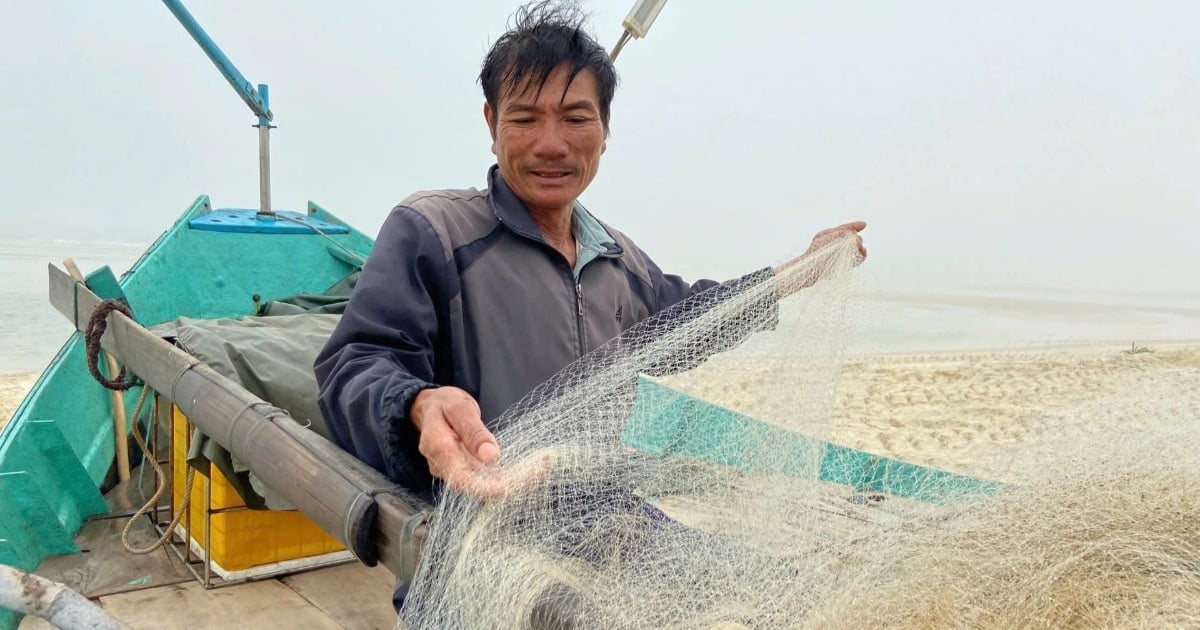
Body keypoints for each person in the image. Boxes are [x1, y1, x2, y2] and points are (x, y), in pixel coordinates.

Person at [313, 0, 866, 506]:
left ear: (604, 130)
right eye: (525, 118)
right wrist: (417, 405)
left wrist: (794, 275)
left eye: (576, 118)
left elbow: (692, 320)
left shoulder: (616, 258)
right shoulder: (433, 230)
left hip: (606, 515)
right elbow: (353, 365)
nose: (552, 144)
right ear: (491, 123)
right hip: (476, 528)